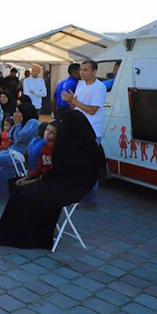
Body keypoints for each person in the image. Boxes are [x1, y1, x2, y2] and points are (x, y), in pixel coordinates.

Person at [0, 112, 102, 248]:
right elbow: (53, 173)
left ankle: (15, 234)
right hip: (60, 184)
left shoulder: (77, 148)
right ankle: (10, 229)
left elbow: (59, 174)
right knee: (18, 188)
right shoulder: (73, 144)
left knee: (22, 193)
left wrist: (31, 181)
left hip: (68, 190)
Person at [61, 59, 107, 205]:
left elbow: (93, 110)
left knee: (90, 166)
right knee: (78, 164)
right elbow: (76, 107)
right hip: (78, 129)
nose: (82, 72)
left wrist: (74, 102)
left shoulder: (99, 87)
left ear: (94, 72)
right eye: (81, 69)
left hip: (92, 131)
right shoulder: (80, 85)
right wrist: (69, 100)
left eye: (86, 70)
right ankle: (78, 193)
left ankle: (90, 198)